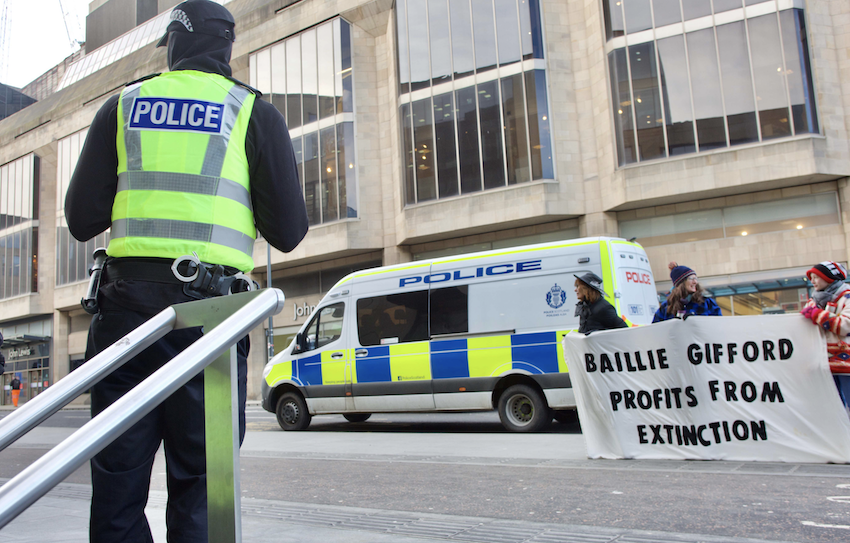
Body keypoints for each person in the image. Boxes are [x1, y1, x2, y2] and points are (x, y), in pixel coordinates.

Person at [64, 1, 309, 541]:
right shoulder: (252, 113)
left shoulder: (123, 107)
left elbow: (81, 220)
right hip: (210, 321)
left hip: (125, 318)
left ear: (174, 47)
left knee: (117, 487)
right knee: (201, 487)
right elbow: (289, 232)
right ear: (226, 47)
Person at [800, 261, 850, 413]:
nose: (812, 281)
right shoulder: (813, 302)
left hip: (846, 367)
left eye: (816, 277)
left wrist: (818, 315)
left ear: (828, 277)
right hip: (822, 366)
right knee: (833, 410)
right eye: (811, 278)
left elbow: (846, 325)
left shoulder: (847, 298)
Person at [652, 262, 722, 322]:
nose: (695, 282)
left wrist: (695, 320)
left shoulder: (707, 303)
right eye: (691, 279)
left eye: (695, 278)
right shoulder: (666, 307)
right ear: (681, 283)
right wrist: (674, 324)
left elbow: (719, 325)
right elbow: (656, 330)